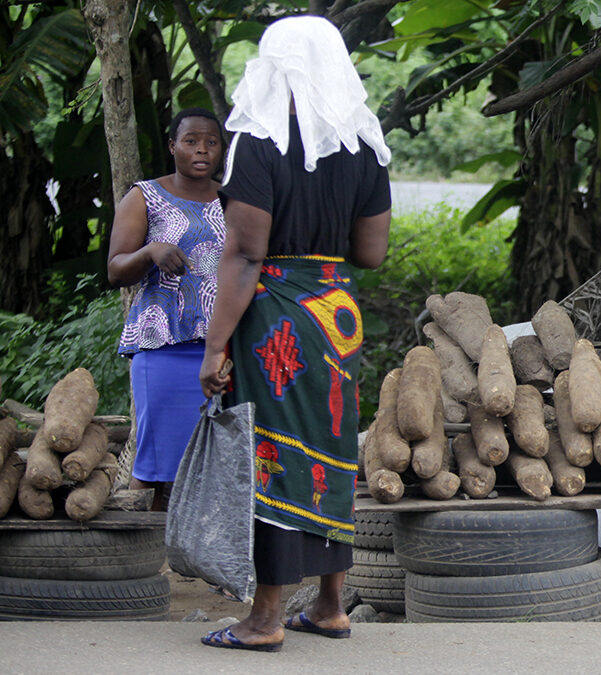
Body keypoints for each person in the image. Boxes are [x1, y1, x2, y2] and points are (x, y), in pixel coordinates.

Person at [198, 15, 391, 652]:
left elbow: (245, 254)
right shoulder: (362, 142)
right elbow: (372, 251)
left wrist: (214, 343)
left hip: (277, 312)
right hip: (337, 315)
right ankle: (331, 605)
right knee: (332, 450)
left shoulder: (257, 142)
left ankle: (265, 619)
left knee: (273, 453)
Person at [107, 107, 225, 512]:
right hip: (164, 344)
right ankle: (143, 561)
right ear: (173, 145)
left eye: (211, 142)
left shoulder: (235, 200)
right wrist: (150, 251)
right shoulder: (144, 196)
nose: (202, 150)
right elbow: (115, 269)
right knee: (156, 466)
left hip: (223, 349)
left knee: (220, 463)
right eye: (191, 141)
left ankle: (207, 559)